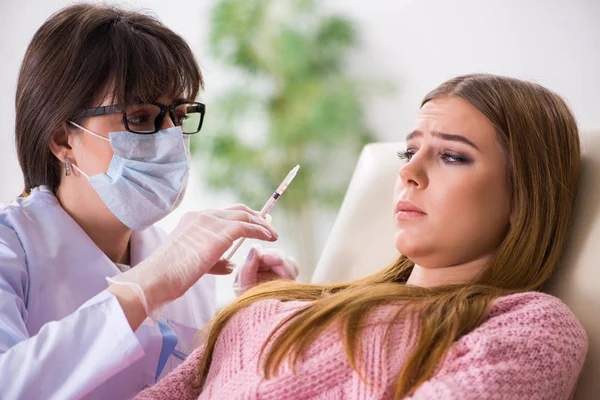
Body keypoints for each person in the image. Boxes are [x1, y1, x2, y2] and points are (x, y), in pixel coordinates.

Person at [135, 74, 588, 400]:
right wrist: (261, 307)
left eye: (451, 155)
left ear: (523, 194)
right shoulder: (282, 305)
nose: (408, 171)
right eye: (409, 152)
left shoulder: (530, 325)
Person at [0, 4, 298, 400]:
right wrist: (146, 286)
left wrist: (242, 319)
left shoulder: (179, 263)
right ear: (62, 139)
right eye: (140, 118)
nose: (171, 137)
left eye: (178, 114)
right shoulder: (11, 249)